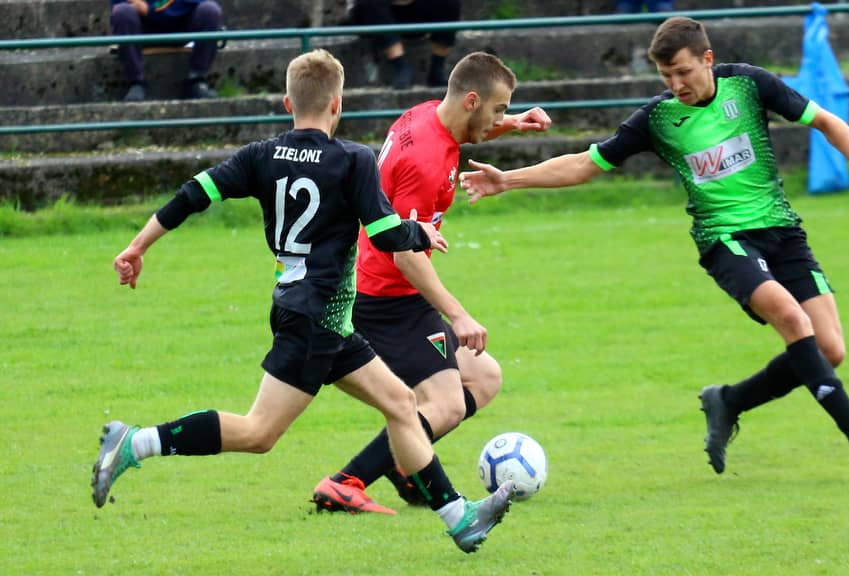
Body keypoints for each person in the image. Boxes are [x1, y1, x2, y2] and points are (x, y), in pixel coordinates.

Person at [92, 48, 515, 554]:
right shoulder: (352, 160)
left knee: (402, 404)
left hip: (313, 314)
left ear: (287, 103)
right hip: (318, 320)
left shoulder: (260, 155)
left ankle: (459, 518)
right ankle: (135, 443)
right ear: (337, 104)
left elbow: (193, 194)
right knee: (259, 432)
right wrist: (419, 232)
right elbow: (385, 235)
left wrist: (137, 246)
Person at [459, 17, 849, 476]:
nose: (676, 85)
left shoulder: (748, 85)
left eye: (684, 72)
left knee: (829, 349)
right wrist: (508, 180)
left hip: (783, 231)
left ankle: (729, 401)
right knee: (794, 321)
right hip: (725, 240)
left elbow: (826, 120)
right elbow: (585, 163)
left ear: (707, 59)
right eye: (666, 76)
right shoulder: (659, 117)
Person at [311, 51, 552, 514]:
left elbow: (467, 130)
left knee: (483, 376)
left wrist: (512, 123)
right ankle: (346, 482)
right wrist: (459, 315)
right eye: (498, 109)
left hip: (388, 290)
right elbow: (405, 255)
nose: (498, 118)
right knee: (447, 404)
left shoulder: (427, 116)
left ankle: (406, 467)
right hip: (384, 296)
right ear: (472, 100)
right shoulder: (425, 162)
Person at [110, 0, 223, 101]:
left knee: (210, 10)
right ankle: (135, 82)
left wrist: (151, 11)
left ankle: (196, 78)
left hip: (181, 23)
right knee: (122, 12)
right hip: (142, 27)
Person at [346, 0, 461, 89]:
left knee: (450, 3)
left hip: (414, 12)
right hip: (374, 14)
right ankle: (400, 66)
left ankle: (437, 68)